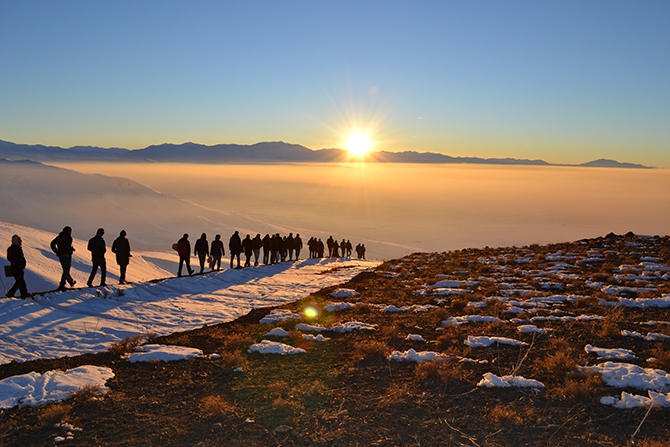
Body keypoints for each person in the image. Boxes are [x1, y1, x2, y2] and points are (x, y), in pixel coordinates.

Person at [50, 226, 76, 291]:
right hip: (66, 255)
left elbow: (52, 244)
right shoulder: (68, 238)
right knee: (66, 270)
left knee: (65, 269)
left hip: (60, 255)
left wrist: (57, 252)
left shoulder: (59, 237)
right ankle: (62, 284)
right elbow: (66, 246)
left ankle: (70, 281)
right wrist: (67, 252)